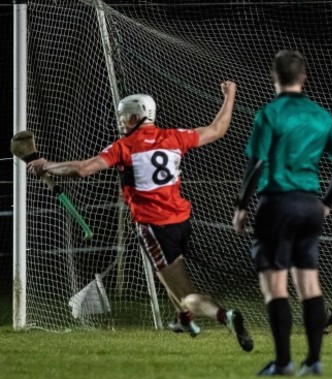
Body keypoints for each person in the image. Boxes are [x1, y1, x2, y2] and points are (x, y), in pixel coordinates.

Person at [28, 82, 254, 352]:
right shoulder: (175, 137)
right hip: (182, 221)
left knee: (186, 294)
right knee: (168, 273)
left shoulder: (124, 146)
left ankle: (225, 316)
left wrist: (47, 166)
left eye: (123, 118)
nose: (121, 123)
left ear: (134, 118)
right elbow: (218, 129)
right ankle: (184, 320)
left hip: (154, 227)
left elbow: (83, 169)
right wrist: (230, 96)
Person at [232, 50, 332, 376]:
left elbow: (256, 163)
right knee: (309, 285)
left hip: (277, 204)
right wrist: (326, 202)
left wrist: (242, 206)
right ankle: (313, 361)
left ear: (274, 77)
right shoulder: (321, 116)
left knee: (276, 286)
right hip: (310, 205)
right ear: (304, 77)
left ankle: (283, 362)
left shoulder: (269, 114)